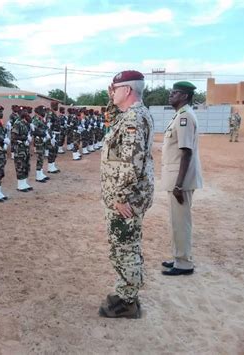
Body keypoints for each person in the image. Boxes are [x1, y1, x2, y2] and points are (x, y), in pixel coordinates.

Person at [98, 70, 154, 319]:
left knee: (125, 248)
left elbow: (132, 163)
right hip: (126, 196)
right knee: (123, 245)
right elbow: (110, 117)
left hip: (126, 200)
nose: (112, 92)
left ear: (128, 90)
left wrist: (120, 197)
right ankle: (127, 292)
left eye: (115, 88)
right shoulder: (131, 114)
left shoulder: (133, 119)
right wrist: (111, 99)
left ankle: (127, 300)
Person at [161, 81, 203, 276]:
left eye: (175, 93)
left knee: (181, 222)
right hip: (177, 177)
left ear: (184, 96)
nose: (171, 95)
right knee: (177, 222)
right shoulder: (180, 115)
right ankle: (179, 257)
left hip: (180, 181)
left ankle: (184, 263)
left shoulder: (184, 117)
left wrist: (178, 185)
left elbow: (186, 152)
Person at [11, 108, 34, 191]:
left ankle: (24, 183)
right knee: (20, 166)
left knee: (26, 165)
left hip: (25, 148)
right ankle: (20, 185)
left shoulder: (26, 123)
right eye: (27, 114)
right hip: (19, 148)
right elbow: (13, 137)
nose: (29, 116)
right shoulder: (18, 123)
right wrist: (25, 138)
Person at [31, 105, 50, 182]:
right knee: (40, 157)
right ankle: (38, 176)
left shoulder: (42, 119)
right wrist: (43, 134)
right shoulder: (36, 119)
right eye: (43, 111)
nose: (44, 113)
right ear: (39, 112)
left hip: (43, 140)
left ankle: (41, 173)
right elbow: (33, 131)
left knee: (42, 157)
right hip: (38, 140)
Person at [46, 102, 61, 173]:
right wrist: (51, 136)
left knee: (55, 151)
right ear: (52, 106)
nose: (57, 107)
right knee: (52, 151)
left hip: (57, 134)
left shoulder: (54, 114)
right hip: (53, 134)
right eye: (55, 105)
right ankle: (50, 167)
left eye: (57, 105)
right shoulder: (50, 114)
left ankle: (53, 166)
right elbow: (48, 126)